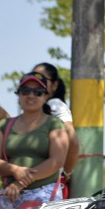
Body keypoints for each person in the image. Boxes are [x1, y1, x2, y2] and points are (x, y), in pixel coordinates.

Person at [0, 73, 68, 209]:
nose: (31, 95)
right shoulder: (4, 125)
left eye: (38, 92)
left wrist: (20, 183)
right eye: (25, 91)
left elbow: (56, 161)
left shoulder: (54, 124)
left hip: (44, 193)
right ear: (18, 95)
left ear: (45, 97)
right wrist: (15, 170)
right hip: (9, 195)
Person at [31, 62, 79, 198]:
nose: (37, 81)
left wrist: (67, 173)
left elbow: (73, 142)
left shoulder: (55, 105)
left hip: (49, 184)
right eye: (33, 77)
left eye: (42, 78)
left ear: (54, 85)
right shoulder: (35, 109)